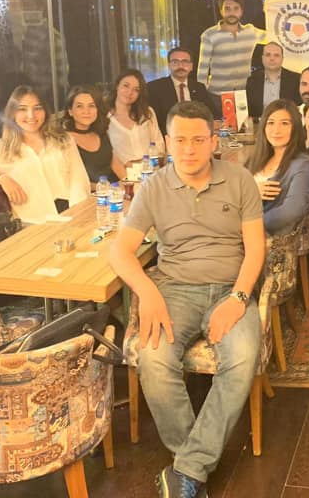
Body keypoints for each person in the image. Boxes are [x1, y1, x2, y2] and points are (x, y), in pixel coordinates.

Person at [109, 101, 264, 498]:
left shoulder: (240, 179)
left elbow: (256, 249)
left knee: (243, 357)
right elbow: (120, 252)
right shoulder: (153, 187)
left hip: (231, 287)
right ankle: (192, 466)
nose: (189, 149)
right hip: (175, 288)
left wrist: (238, 298)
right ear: (167, 141)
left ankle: (186, 472)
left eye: (198, 140)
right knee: (154, 357)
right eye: (180, 140)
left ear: (214, 141)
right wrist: (148, 292)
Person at [0, 85, 89, 224]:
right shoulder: (2, 151)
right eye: (22, 109)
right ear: (13, 114)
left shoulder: (63, 140)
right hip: (30, 226)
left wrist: (77, 217)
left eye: (37, 108)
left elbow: (79, 182)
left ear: (45, 111)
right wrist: (0, 179)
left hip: (69, 219)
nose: (31, 115)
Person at [245, 99, 309, 236]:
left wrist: (249, 225)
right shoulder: (256, 159)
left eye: (284, 123)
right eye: (271, 123)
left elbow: (292, 210)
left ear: (295, 128)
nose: (276, 130)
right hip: (240, 228)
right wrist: (252, 193)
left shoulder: (304, 165)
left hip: (266, 235)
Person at [197, 0, 267, 102]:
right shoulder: (209, 35)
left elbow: (274, 37)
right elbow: (202, 69)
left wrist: (267, 11)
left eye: (236, 8)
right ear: (221, 11)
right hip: (217, 96)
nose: (232, 13)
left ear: (241, 11)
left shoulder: (250, 32)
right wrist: (202, 97)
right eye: (227, 9)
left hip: (242, 95)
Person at [147, 47, 219, 134]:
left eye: (185, 62)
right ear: (169, 65)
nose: (180, 66)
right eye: (175, 62)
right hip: (169, 136)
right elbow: (153, 122)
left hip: (197, 134)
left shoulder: (199, 88)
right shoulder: (154, 88)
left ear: (191, 66)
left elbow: (213, 115)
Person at [63, 84, 125, 183]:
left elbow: (116, 165)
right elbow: (69, 181)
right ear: (70, 111)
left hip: (114, 188)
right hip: (89, 191)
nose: (86, 111)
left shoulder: (101, 133)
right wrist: (103, 188)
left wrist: (131, 185)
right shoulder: (65, 140)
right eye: (79, 106)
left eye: (91, 106)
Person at [107, 68, 164, 168]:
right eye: (126, 86)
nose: (130, 92)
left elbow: (159, 145)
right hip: (122, 172)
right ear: (117, 86)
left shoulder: (147, 113)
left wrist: (150, 165)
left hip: (151, 170)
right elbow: (108, 154)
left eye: (136, 90)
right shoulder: (105, 117)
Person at [245, 41, 301, 118]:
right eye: (268, 55)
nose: (272, 58)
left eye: (276, 55)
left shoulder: (295, 80)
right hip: (260, 124)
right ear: (262, 58)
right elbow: (249, 110)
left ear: (282, 59)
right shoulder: (252, 81)